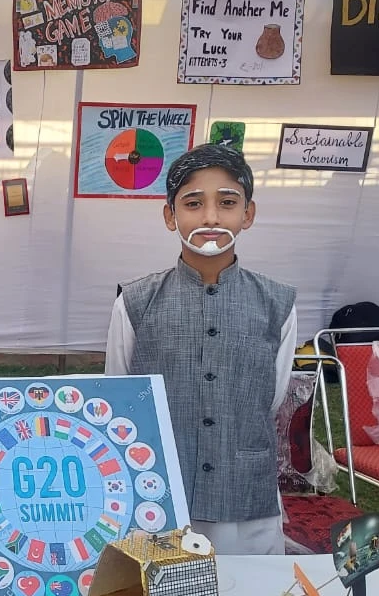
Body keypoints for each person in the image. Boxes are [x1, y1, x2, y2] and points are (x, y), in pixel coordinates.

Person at [105, 144, 297, 556]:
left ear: (248, 214)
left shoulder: (277, 304)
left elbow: (270, 396)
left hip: (244, 495)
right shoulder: (136, 303)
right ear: (170, 215)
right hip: (159, 491)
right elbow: (118, 394)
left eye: (227, 203)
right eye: (194, 203)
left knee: (253, 592)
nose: (211, 217)